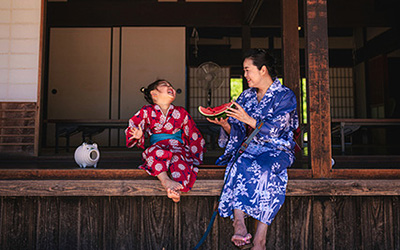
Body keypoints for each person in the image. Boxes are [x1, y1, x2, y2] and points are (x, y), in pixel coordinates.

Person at [207, 49, 298, 249]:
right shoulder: (246, 96)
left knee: (266, 170)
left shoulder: (285, 96)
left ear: (263, 70)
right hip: (250, 148)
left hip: (278, 148)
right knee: (239, 163)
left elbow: (278, 129)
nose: (245, 75)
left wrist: (248, 119)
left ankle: (260, 238)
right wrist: (225, 125)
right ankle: (238, 223)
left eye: (248, 70)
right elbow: (238, 132)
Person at [126, 79, 206, 203]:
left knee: (180, 161)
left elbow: (193, 134)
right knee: (153, 153)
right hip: (157, 146)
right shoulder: (146, 111)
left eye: (171, 85)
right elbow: (134, 124)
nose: (171, 87)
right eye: (165, 85)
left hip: (177, 148)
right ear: (154, 94)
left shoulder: (181, 113)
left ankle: (174, 191)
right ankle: (165, 181)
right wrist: (137, 134)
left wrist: (196, 154)